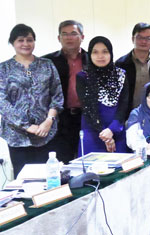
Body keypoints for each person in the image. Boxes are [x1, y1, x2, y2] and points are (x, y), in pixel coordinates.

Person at [0, 24, 63, 176]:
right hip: (17, 136)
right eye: (20, 40)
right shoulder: (4, 69)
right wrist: (27, 126)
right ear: (12, 43)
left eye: (29, 40)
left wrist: (48, 121)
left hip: (46, 133)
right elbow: (2, 102)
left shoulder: (46, 65)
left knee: (49, 177)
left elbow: (57, 95)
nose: (26, 44)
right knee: (23, 179)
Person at [43, 20, 87, 163]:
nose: (69, 38)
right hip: (60, 119)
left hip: (86, 117)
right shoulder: (48, 61)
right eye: (65, 34)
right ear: (58, 38)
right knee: (62, 161)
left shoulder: (91, 59)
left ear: (82, 37)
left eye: (74, 34)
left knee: (86, 160)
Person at [77, 36, 130, 155]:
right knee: (92, 172)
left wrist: (112, 130)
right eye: (95, 52)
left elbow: (123, 105)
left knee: (119, 171)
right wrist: (104, 134)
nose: (100, 56)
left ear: (111, 53)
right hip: (92, 132)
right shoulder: (82, 77)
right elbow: (87, 108)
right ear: (89, 54)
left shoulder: (121, 75)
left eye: (105, 51)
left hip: (117, 130)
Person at [115, 22, 150, 111]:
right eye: (140, 37)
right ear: (132, 39)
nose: (143, 41)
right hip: (128, 114)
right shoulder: (120, 64)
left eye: (148, 38)